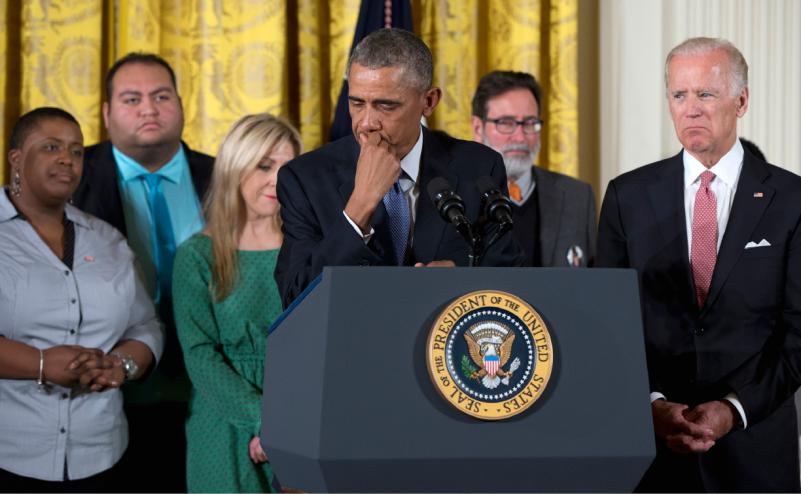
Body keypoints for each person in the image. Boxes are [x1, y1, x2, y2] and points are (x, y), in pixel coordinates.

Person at [597, 37, 801, 491]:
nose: (691, 109)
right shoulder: (626, 196)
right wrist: (650, 404)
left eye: (705, 94)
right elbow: (609, 324)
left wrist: (733, 410)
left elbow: (798, 333)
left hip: (754, 453)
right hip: (651, 451)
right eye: (679, 95)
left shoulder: (792, 201)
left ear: (741, 100)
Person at [275, 28, 522, 307]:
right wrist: (360, 205)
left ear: (428, 102)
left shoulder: (479, 167)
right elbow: (296, 299)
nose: (367, 122)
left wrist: (460, 279)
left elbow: (508, 278)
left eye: (385, 106)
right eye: (357, 103)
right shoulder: (304, 179)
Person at [0, 107, 163, 490]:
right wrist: (40, 363)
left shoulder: (108, 241)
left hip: (103, 452)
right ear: (16, 159)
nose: (66, 159)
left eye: (76, 151)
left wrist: (120, 365)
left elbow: (145, 324)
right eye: (51, 147)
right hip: (11, 455)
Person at [71, 52, 213, 492]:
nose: (149, 109)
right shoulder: (71, 178)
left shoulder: (226, 177)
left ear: (182, 104)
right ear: (107, 113)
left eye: (161, 96)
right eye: (132, 99)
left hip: (207, 387)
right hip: (101, 389)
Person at [173, 114, 301, 492]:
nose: (278, 180)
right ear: (235, 166)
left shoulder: (305, 251)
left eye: (288, 167)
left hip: (299, 415)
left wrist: (286, 424)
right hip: (224, 421)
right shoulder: (197, 256)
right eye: (264, 165)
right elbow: (199, 354)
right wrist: (262, 420)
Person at [471, 70, 596, 267]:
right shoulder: (454, 197)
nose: (520, 137)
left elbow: (596, 285)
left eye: (530, 123)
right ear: (478, 128)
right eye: (506, 123)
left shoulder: (577, 197)